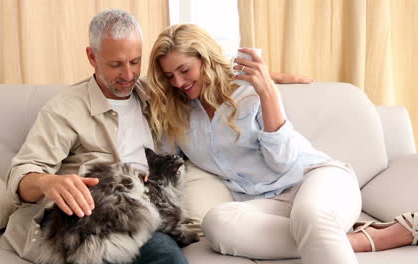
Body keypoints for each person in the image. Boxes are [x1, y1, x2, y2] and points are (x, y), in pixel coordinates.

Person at [146, 23, 418, 264]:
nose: (178, 82)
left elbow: (284, 161)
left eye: (185, 70)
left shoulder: (251, 93)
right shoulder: (176, 114)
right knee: (217, 223)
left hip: (318, 179)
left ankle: (330, 234)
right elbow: (168, 163)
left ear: (205, 59)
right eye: (169, 76)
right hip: (266, 204)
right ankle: (354, 240)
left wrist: (267, 91)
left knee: (311, 215)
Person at [0, 9, 187, 264]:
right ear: (92, 56)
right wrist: (47, 182)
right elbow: (21, 174)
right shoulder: (64, 109)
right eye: (115, 64)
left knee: (168, 258)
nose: (129, 75)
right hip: (90, 219)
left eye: (135, 62)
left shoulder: (153, 96)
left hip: (143, 213)